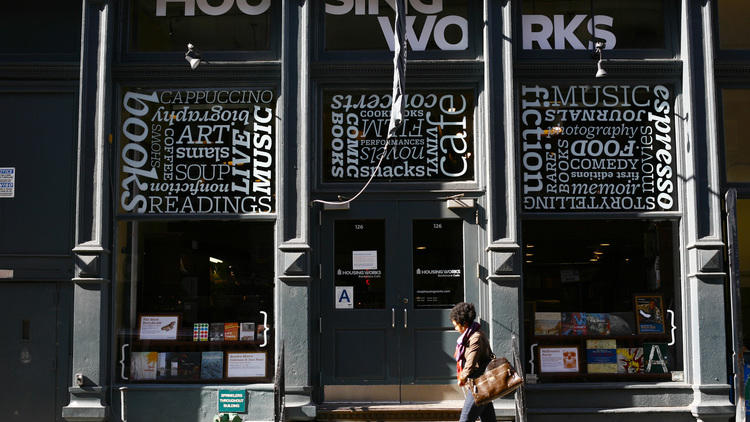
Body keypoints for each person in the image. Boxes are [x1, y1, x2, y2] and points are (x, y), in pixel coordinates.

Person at [451, 302, 496, 422]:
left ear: (464, 323)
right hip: (481, 384)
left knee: (465, 419)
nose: (455, 328)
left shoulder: (475, 337)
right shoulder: (471, 336)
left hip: (479, 385)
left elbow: (471, 362)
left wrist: (462, 377)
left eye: (456, 325)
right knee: (489, 419)